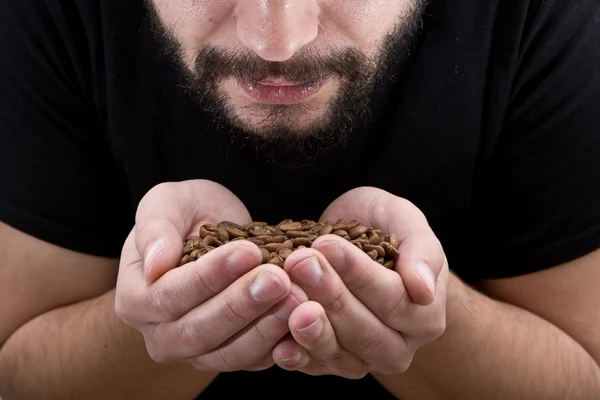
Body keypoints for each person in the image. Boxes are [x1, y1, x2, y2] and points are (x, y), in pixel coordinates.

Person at [0, 0, 599, 398]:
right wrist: (162, 315)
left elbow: (586, 376)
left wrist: (434, 315)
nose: (279, 42)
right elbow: (15, 370)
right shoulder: (47, 15)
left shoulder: (550, 19)